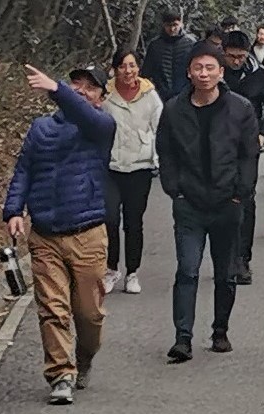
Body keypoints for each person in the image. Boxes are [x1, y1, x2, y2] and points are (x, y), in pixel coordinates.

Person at [3, 64, 116, 406]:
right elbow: (24, 169)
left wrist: (57, 89)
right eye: (76, 83)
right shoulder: (41, 128)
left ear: (101, 97)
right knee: (52, 308)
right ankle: (60, 374)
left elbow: (86, 115)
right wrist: (13, 210)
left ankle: (84, 358)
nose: (81, 90)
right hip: (45, 234)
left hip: (88, 233)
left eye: (90, 87)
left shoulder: (101, 126)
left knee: (89, 315)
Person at [156, 41, 260, 362]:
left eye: (209, 68)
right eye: (198, 68)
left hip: (228, 202)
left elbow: (249, 155)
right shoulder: (174, 109)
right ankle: (182, 338)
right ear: (189, 72)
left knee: (225, 273)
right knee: (187, 270)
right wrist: (174, 189)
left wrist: (241, 192)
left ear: (221, 72)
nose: (203, 74)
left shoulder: (240, 108)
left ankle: (220, 331)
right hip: (189, 203)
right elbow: (166, 152)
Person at [221, 30, 264, 283]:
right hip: (217, 146)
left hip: (248, 147)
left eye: (241, 56)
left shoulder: (258, 74)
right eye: (231, 56)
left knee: (245, 198)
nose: (236, 61)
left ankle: (242, 259)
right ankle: (224, 257)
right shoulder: (213, 73)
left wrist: (263, 135)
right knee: (222, 201)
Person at [103, 49, 163, 296]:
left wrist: (157, 158)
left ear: (139, 67)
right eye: (122, 66)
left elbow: (160, 128)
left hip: (140, 167)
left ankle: (132, 272)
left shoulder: (150, 96)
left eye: (132, 66)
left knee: (133, 222)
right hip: (111, 166)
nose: (128, 71)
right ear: (115, 69)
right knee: (109, 219)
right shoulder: (106, 95)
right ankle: (111, 269)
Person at [139, 11, 196, 100]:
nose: (172, 29)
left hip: (185, 94)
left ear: (181, 24)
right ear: (164, 25)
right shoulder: (155, 45)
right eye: (169, 25)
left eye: (175, 25)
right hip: (160, 94)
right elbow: (146, 72)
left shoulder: (190, 44)